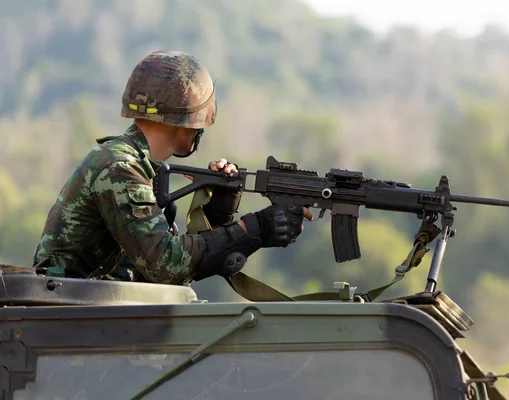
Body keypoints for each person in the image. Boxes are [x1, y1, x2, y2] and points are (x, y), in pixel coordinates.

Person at [32, 50, 312, 285]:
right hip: (68, 323)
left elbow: (169, 269)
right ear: (188, 121)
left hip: (84, 321)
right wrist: (254, 228)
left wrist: (218, 212)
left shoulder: (140, 169)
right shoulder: (120, 168)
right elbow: (167, 265)